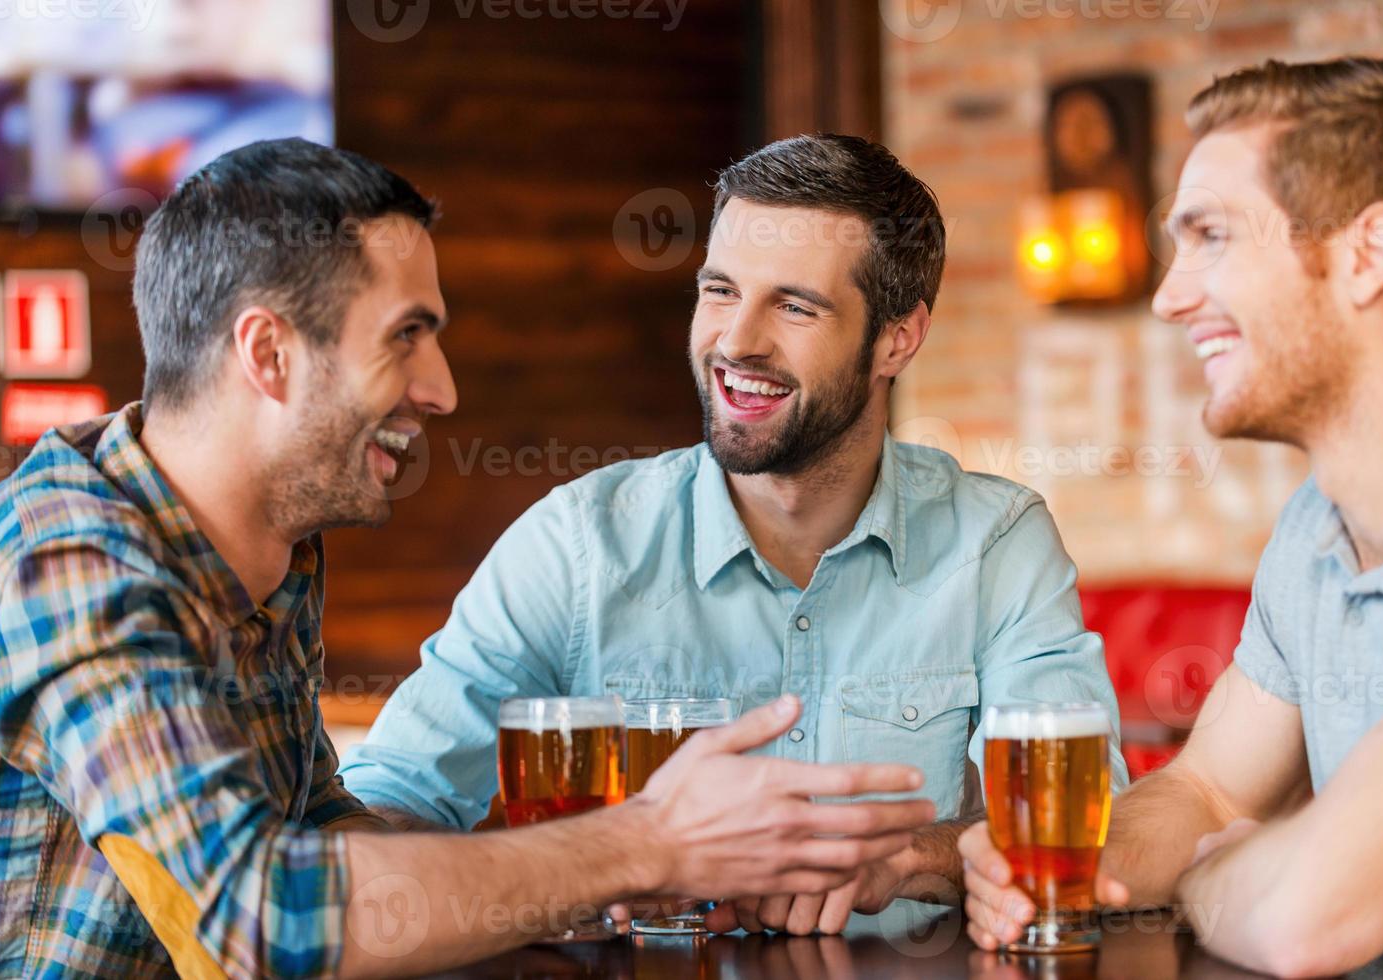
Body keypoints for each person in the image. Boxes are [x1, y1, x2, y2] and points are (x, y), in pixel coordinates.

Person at [0, 138, 937, 978]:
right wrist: (647, 842)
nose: (441, 390)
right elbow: (260, 922)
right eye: (408, 338)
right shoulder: (67, 554)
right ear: (268, 354)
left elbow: (326, 837)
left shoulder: (263, 553)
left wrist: (602, 883)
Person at [339, 133, 1129, 935]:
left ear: (898, 338)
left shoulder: (994, 541)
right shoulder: (575, 545)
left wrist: (906, 859)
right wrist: (596, 860)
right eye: (719, 291)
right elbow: (382, 808)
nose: (736, 341)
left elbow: (1083, 834)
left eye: (794, 305)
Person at [960, 56, 1383, 978]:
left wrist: (1202, 882)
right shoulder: (1315, 532)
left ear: (1368, 253)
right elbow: (1207, 784)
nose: (1168, 294)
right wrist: (1070, 869)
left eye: (1211, 236)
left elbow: (1316, 917)